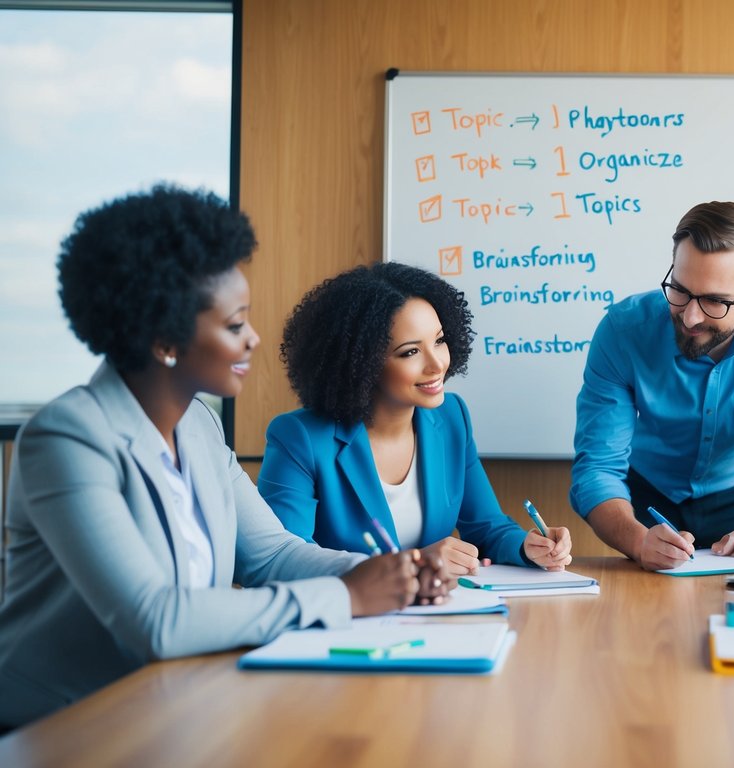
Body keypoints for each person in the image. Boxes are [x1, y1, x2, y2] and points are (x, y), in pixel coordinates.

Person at [0, 186, 430, 730]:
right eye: (233, 325)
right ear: (164, 340)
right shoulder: (66, 439)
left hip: (175, 709)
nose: (253, 338)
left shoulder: (199, 427)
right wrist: (345, 595)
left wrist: (393, 573)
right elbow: (156, 619)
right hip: (65, 727)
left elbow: (272, 556)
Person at [258, 263, 572, 575]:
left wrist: (528, 547)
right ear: (362, 363)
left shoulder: (451, 417)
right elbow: (282, 560)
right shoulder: (300, 437)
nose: (437, 364)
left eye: (439, 340)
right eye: (410, 352)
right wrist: (415, 564)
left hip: (439, 616)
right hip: (348, 618)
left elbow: (487, 527)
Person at [570, 201, 734, 570]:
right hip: (644, 493)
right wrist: (638, 540)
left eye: (715, 301)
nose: (691, 317)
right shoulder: (623, 331)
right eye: (679, 290)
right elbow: (597, 468)